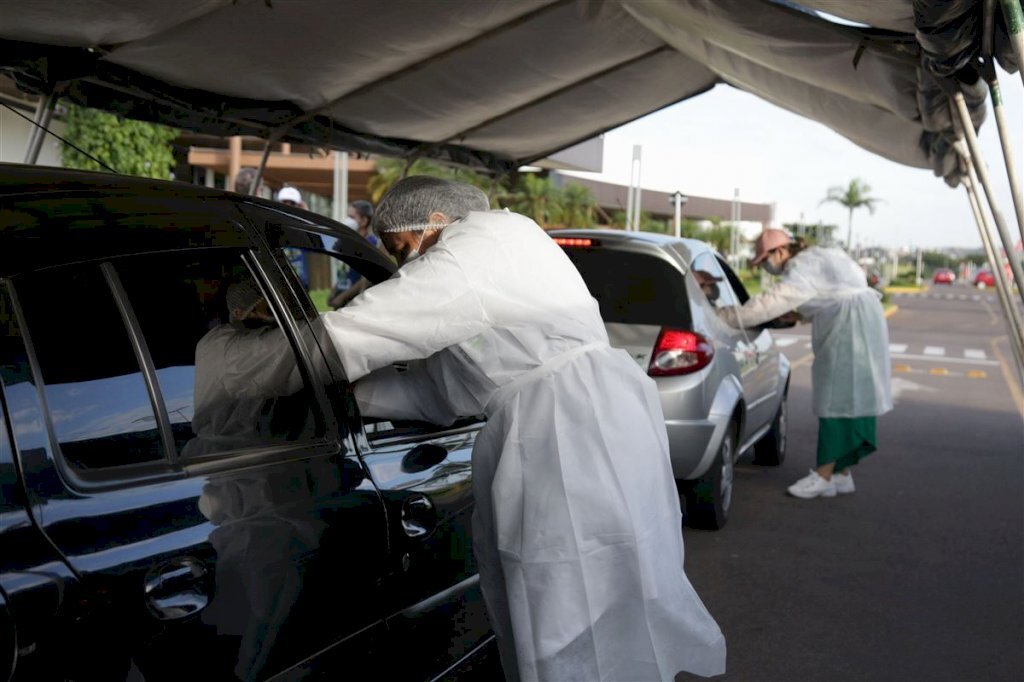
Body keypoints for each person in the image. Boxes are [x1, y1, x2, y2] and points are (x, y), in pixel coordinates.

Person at [320, 177, 726, 681]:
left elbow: (371, 325)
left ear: (437, 224)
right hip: (586, 418)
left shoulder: (480, 244)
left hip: (567, 427)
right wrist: (354, 392)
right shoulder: (504, 251)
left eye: (405, 249)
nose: (405, 267)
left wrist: (259, 362)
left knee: (567, 592)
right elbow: (446, 389)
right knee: (597, 586)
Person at [719, 229, 892, 499]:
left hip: (847, 329)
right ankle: (841, 473)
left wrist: (725, 316)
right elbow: (827, 296)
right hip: (860, 322)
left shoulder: (801, 266)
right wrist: (800, 314)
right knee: (851, 395)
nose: (766, 266)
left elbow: (769, 304)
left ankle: (823, 475)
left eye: (766, 260)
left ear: (780, 252)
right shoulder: (820, 256)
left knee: (834, 398)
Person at [327, 200, 383, 309]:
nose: (347, 220)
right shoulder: (347, 242)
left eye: (352, 217)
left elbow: (365, 278)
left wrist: (342, 297)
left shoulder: (370, 243)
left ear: (364, 220)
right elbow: (344, 271)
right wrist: (334, 291)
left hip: (354, 300)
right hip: (341, 296)